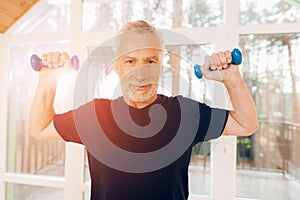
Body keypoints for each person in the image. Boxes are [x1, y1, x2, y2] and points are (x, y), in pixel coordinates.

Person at [29, 20, 258, 200]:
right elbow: (39, 128)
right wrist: (47, 81)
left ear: (160, 65)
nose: (140, 74)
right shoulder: (94, 116)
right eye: (130, 61)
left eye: (150, 61)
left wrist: (231, 78)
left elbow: (246, 124)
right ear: (117, 66)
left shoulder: (185, 114)